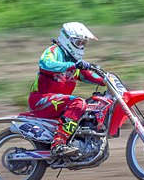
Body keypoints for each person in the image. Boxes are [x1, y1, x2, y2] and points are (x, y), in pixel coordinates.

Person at [28, 22, 104, 157]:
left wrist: (107, 79)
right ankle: (58, 144)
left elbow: (89, 76)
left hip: (58, 104)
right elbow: (45, 63)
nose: (81, 46)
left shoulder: (75, 62)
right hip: (40, 98)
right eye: (79, 42)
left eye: (83, 43)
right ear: (68, 39)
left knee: (92, 107)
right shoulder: (54, 51)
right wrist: (72, 65)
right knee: (78, 103)